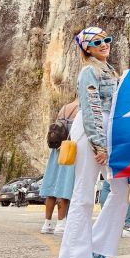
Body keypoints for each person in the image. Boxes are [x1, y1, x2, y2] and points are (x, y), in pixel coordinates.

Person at [57, 27, 129, 258]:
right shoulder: (89, 71)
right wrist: (98, 144)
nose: (105, 44)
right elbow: (91, 107)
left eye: (107, 39)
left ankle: (96, 245)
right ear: (86, 48)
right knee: (84, 194)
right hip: (91, 131)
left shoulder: (110, 70)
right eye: (98, 42)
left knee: (121, 191)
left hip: (109, 130)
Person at [40, 99, 78, 234]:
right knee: (64, 188)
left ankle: (47, 223)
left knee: (51, 189)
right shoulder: (81, 108)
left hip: (55, 151)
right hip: (69, 150)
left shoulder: (64, 108)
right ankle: (61, 223)